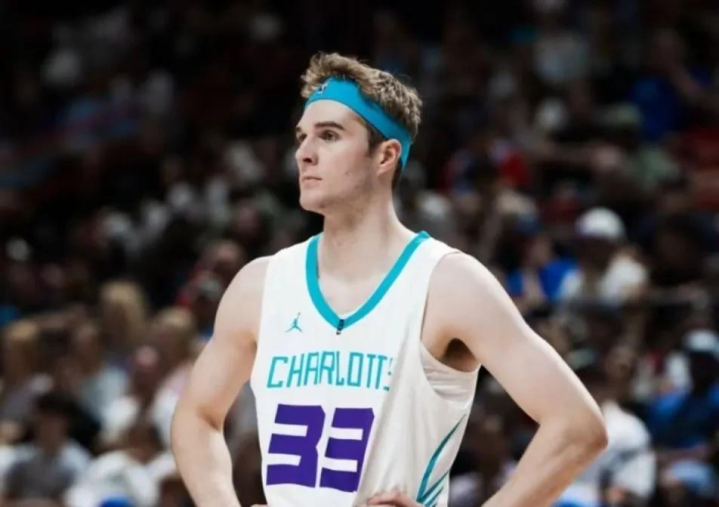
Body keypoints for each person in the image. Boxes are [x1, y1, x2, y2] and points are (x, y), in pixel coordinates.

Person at [171, 52, 608, 507]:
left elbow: (578, 427)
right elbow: (196, 416)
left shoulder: (447, 283)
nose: (303, 152)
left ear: (385, 155)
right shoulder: (260, 285)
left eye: (329, 135)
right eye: (302, 136)